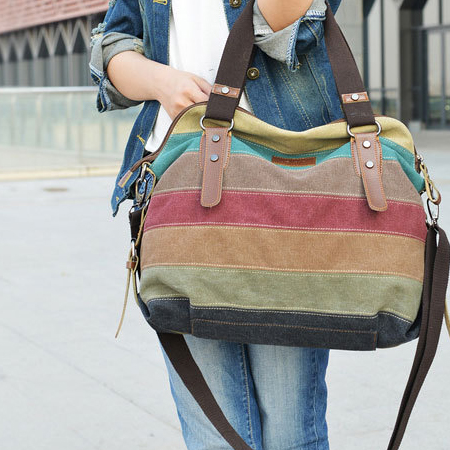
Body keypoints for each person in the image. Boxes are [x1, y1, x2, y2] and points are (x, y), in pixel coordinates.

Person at [90, 1, 344, 448]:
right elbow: (111, 47)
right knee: (212, 434)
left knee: (291, 427)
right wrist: (163, 81)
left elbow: (290, 33)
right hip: (178, 185)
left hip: (283, 190)